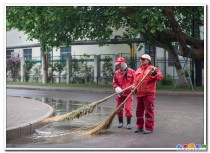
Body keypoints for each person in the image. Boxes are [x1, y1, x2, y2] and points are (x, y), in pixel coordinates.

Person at [133, 54, 163, 134]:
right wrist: (134, 88)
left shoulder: (152, 68)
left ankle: (149, 128)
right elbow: (135, 82)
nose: (141, 60)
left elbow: (160, 77)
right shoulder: (138, 70)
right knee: (139, 111)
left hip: (148, 94)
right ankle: (140, 127)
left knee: (149, 111)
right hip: (139, 94)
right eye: (141, 59)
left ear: (148, 60)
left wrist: (154, 73)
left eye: (143, 59)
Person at [113, 57, 136, 129]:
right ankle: (120, 122)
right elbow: (115, 82)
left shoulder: (131, 72)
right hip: (120, 94)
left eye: (119, 64)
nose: (118, 66)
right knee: (119, 108)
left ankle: (128, 123)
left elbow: (136, 81)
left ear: (123, 63)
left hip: (128, 93)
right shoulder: (116, 73)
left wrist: (134, 87)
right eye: (117, 64)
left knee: (128, 108)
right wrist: (117, 88)